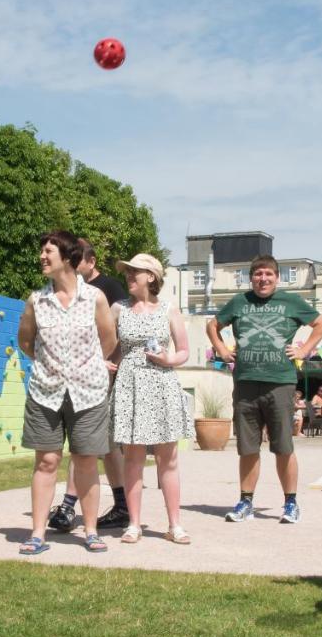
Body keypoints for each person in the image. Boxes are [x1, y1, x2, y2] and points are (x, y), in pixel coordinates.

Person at [206, 255, 322, 523]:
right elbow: (212, 325)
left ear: (277, 277)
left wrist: (304, 349)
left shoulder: (291, 302)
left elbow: (321, 324)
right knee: (247, 447)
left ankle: (291, 503)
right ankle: (246, 502)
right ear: (251, 277)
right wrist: (222, 349)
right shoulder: (239, 302)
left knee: (283, 446)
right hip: (245, 382)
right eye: (258, 274)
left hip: (280, 383)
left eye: (268, 274)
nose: (263, 279)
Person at [17, 230, 117, 555]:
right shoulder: (37, 301)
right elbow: (26, 342)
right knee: (46, 460)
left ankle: (89, 530)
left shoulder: (95, 298)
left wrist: (87, 366)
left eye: (48, 251)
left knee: (86, 459)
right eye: (41, 251)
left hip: (88, 391)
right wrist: (52, 366)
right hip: (45, 391)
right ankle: (37, 534)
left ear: (67, 256)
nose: (42, 257)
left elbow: (109, 340)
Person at [110, 253, 194, 545]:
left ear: (152, 277)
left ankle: (175, 525)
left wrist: (169, 358)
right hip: (130, 386)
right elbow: (106, 342)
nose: (129, 276)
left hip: (162, 383)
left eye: (136, 272)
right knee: (132, 459)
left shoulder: (169, 309)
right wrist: (106, 360)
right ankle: (134, 524)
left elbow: (184, 350)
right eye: (128, 272)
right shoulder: (118, 309)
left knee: (167, 459)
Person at [48, 238, 130, 531]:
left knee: (95, 445)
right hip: (73, 377)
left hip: (100, 377)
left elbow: (119, 333)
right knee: (93, 445)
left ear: (91, 261)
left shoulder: (108, 290)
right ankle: (115, 506)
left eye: (76, 258)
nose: (70, 262)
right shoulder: (63, 292)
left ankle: (73, 507)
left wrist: (105, 363)